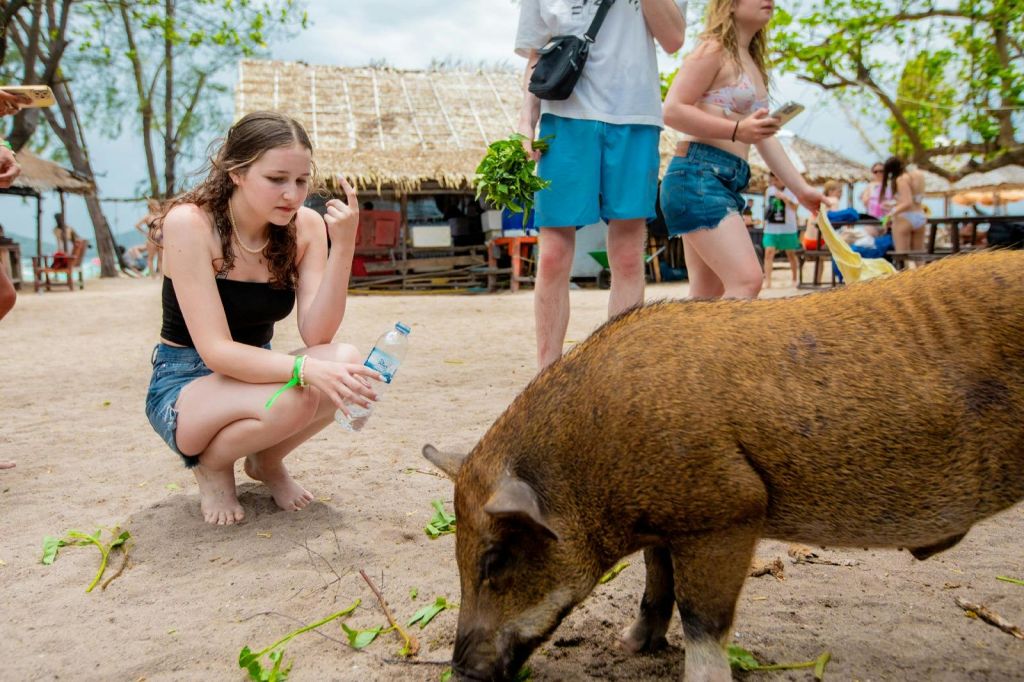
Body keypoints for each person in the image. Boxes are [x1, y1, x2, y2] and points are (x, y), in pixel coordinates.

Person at [145, 111, 379, 525]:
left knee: (346, 359)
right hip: (186, 383)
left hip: (257, 373)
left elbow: (317, 332)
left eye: (301, 181)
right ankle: (213, 467)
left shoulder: (305, 226)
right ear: (236, 172)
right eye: (277, 179)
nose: (292, 194)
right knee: (299, 392)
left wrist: (343, 246)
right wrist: (305, 369)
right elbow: (216, 351)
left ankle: (266, 462)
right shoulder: (191, 223)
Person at [515, 0, 686, 369]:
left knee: (627, 256)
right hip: (564, 116)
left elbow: (673, 38)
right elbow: (535, 52)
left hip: (635, 116)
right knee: (553, 256)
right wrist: (525, 121)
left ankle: (620, 372)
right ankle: (548, 375)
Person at [661, 0, 824, 300]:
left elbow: (764, 137)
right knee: (747, 280)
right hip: (697, 175)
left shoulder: (749, 61)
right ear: (731, 5)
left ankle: (698, 349)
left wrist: (801, 190)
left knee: (707, 297)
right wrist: (737, 130)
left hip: (721, 180)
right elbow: (671, 110)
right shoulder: (712, 50)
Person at [880, 157, 926, 262]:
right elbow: (914, 200)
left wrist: (891, 213)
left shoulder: (901, 179)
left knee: (903, 258)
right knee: (919, 257)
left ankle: (907, 278)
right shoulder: (919, 175)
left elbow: (907, 202)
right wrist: (895, 204)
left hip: (905, 218)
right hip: (920, 216)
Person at [762, 174, 800, 288]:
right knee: (768, 252)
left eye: (776, 179)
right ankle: (768, 281)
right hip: (771, 227)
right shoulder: (769, 191)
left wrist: (785, 198)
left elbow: (795, 208)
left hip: (788, 228)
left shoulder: (792, 190)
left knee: (791, 254)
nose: (774, 182)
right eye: (772, 179)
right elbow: (767, 207)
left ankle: (794, 279)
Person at [135, 198, 163, 276]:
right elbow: (137, 225)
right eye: (157, 204)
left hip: (161, 238)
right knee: (151, 257)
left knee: (161, 257)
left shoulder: (161, 215)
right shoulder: (148, 217)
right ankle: (153, 276)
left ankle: (161, 275)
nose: (158, 206)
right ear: (152, 206)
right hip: (151, 239)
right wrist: (145, 233)